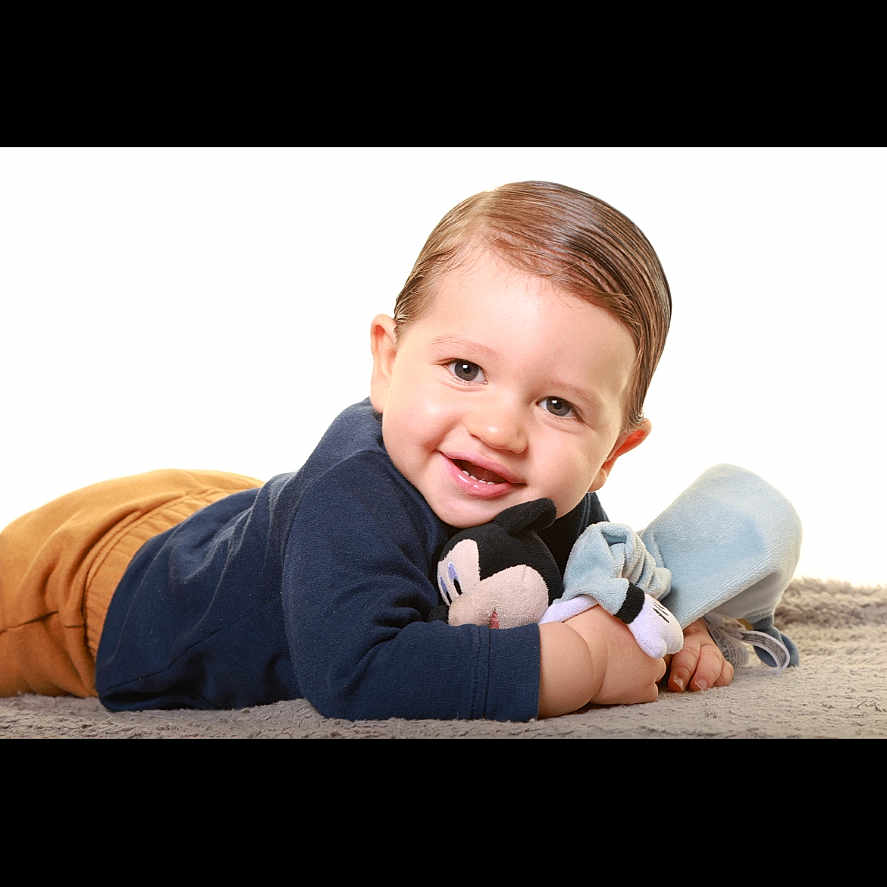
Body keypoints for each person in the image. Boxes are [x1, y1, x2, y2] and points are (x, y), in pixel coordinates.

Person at [0, 181, 732, 721]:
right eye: (466, 370)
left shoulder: (538, 489)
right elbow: (359, 671)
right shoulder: (349, 499)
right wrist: (581, 660)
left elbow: (601, 570)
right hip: (91, 585)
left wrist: (666, 624)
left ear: (612, 450)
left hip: (250, 513)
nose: (500, 430)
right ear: (387, 360)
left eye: (557, 405)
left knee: (289, 527)